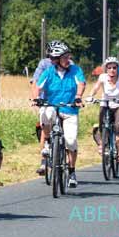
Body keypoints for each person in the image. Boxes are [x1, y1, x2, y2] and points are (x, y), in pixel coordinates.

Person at [32, 41, 86, 188]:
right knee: (45, 114)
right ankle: (48, 141)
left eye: (68, 56)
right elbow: (38, 86)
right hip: (53, 106)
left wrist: (78, 96)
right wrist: (36, 98)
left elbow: (81, 83)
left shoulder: (75, 70)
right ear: (56, 59)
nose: (68, 59)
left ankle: (72, 171)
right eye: (65, 57)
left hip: (69, 110)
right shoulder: (49, 72)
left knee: (71, 141)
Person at [87, 56, 119, 164]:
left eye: (114, 67)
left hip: (118, 105)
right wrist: (90, 96)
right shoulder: (102, 77)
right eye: (109, 67)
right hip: (105, 103)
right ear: (106, 69)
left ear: (117, 68)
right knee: (101, 124)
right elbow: (96, 88)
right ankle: (103, 144)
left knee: (118, 126)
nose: (112, 70)